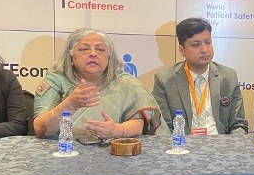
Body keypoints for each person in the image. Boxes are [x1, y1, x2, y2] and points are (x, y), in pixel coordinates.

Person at [32, 28, 167, 139]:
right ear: (71, 57)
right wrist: (70, 104)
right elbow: (40, 128)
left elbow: (139, 123)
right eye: (84, 49)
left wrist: (117, 130)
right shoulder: (56, 81)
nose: (93, 54)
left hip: (113, 153)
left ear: (109, 57)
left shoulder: (125, 82)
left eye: (100, 50)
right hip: (64, 152)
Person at [152, 17, 248, 135]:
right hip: (182, 143)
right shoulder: (165, 79)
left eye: (208, 42)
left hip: (220, 143)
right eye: (196, 45)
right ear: (182, 50)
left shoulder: (228, 76)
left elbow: (239, 125)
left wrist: (230, 144)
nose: (204, 50)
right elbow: (163, 128)